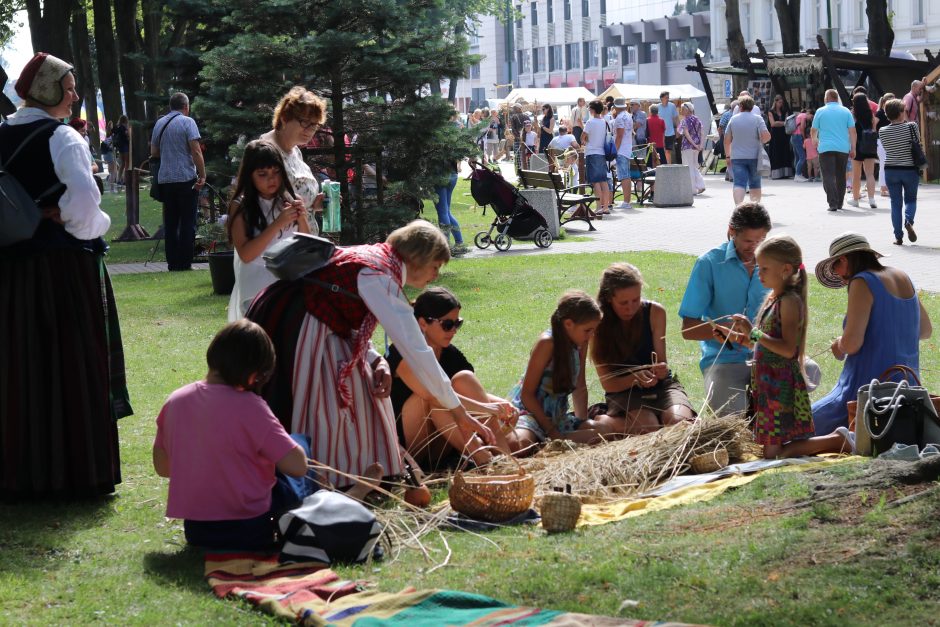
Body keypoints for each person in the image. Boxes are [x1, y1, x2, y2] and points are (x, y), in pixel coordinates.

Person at [247, 220, 496, 489]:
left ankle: (354, 477)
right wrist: (458, 412)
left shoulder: (380, 262)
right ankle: (316, 480)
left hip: (325, 326)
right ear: (418, 258)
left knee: (362, 393)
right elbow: (416, 349)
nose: (435, 276)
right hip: (304, 325)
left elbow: (352, 319)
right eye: (435, 267)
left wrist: (375, 359)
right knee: (321, 403)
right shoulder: (379, 274)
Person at [0, 52, 132, 500]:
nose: (74, 95)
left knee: (21, 365)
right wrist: (89, 227)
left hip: (11, 273)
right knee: (71, 361)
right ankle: (75, 471)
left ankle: (21, 472)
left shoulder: (2, 133)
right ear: (49, 90)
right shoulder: (64, 139)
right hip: (61, 273)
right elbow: (84, 210)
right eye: (69, 87)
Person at [153, 320, 309, 550]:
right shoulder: (251, 406)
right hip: (250, 528)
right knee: (299, 444)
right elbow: (298, 467)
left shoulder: (175, 401)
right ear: (255, 373)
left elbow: (163, 468)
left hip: (197, 531)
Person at [725, 237, 853, 458]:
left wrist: (753, 332)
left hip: (779, 385)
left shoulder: (790, 301)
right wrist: (740, 337)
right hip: (766, 384)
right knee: (768, 446)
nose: (759, 273)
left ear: (784, 270)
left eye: (764, 268)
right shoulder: (773, 297)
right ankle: (829, 442)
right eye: (758, 267)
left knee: (774, 450)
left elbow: (788, 350)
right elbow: (763, 342)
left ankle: (836, 441)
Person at [811, 232, 932, 434]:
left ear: (843, 260)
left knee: (799, 428)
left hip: (868, 391)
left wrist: (839, 345)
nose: (839, 276)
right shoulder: (902, 276)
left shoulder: (862, 281)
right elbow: (925, 330)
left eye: (836, 267)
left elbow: (852, 344)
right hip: (907, 391)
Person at [388, 288, 518, 468]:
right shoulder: (403, 352)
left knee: (464, 378)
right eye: (447, 325)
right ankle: (485, 461)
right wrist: (488, 408)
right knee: (437, 399)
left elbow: (467, 392)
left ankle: (506, 460)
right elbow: (433, 395)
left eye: (457, 324)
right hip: (412, 446)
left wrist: (502, 406)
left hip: (443, 438)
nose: (454, 331)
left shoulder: (450, 353)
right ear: (423, 323)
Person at [679, 202, 773, 415]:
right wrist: (726, 333)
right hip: (723, 359)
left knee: (809, 372)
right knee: (733, 423)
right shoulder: (709, 263)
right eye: (748, 241)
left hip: (767, 354)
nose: (755, 248)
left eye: (761, 240)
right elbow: (687, 328)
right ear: (732, 231)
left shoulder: (774, 262)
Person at [592, 263, 695, 435]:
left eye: (636, 299)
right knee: (648, 428)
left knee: (680, 424)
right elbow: (608, 383)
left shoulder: (655, 312)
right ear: (609, 298)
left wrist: (661, 370)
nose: (631, 307)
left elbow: (662, 362)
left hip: (662, 387)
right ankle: (605, 421)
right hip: (624, 391)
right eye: (623, 302)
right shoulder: (598, 323)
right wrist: (634, 379)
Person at [510, 291, 619, 451]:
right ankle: (547, 442)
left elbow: (580, 387)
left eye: (594, 330)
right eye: (588, 330)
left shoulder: (581, 342)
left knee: (604, 432)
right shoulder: (547, 343)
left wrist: (581, 423)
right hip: (532, 414)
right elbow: (527, 395)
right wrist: (552, 431)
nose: (591, 335)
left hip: (558, 418)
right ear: (568, 324)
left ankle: (551, 444)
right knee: (522, 444)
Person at [226, 140, 310, 320]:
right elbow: (246, 254)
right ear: (250, 176)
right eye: (262, 174)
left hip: (289, 284)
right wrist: (277, 224)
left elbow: (305, 246)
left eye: (276, 172)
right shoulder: (240, 205)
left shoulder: (289, 199)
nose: (271, 179)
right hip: (255, 291)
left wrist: (302, 217)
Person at [150, 92, 207, 271]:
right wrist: (202, 174)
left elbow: (154, 152)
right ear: (186, 107)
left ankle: (172, 262)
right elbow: (196, 151)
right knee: (188, 221)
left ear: (170, 106)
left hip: (165, 179)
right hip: (185, 178)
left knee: (171, 222)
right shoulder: (187, 122)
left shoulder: (160, 123)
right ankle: (185, 262)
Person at [261, 87, 326, 235]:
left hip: (302, 243)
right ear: (284, 118)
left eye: (315, 125)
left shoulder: (294, 150)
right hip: (280, 245)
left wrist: (314, 204)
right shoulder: (265, 151)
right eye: (305, 122)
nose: (310, 130)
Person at [879, 98, 922, 246]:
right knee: (910, 200)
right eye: (904, 110)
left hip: (891, 170)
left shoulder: (882, 131)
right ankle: (908, 221)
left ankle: (898, 237)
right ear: (900, 113)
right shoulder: (912, 126)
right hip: (910, 169)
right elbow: (917, 142)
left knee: (895, 203)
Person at [811, 89, 856, 212]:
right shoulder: (846, 111)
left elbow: (813, 130)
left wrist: (814, 140)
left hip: (825, 147)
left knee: (828, 176)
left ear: (826, 99)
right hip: (842, 148)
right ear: (837, 98)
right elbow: (853, 131)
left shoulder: (820, 111)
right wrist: (853, 148)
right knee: (841, 175)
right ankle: (840, 202)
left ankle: (833, 203)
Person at [724, 95, 771, 204]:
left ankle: (738, 208)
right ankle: (754, 211)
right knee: (755, 183)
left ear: (740, 106)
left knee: (739, 183)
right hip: (754, 157)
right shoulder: (757, 119)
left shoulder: (733, 119)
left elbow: (727, 140)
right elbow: (766, 137)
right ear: (752, 106)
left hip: (737, 157)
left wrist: (728, 156)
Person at [847, 93, 882, 210]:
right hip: (869, 146)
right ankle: (871, 199)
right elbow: (873, 130)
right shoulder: (871, 115)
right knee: (870, 173)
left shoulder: (852, 115)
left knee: (856, 175)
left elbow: (851, 132)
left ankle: (855, 199)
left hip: (857, 146)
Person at [581, 99, 612, 215]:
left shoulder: (590, 122)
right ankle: (606, 207)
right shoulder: (604, 122)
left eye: (589, 108)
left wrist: (585, 140)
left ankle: (599, 206)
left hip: (592, 153)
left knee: (595, 182)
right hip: (602, 153)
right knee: (603, 181)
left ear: (593, 110)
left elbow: (583, 137)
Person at [433, 157, 465, 252]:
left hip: (440, 175)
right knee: (447, 212)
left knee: (443, 212)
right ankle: (459, 242)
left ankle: (445, 245)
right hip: (453, 175)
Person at [677, 102, 706, 195]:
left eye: (682, 109)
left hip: (687, 146)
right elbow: (702, 133)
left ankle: (692, 189)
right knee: (694, 167)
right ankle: (701, 185)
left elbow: (686, 134)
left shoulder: (684, 121)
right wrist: (700, 145)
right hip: (696, 147)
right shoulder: (697, 119)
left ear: (687, 110)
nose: (681, 111)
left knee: (688, 167)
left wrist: (693, 144)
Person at [612, 98, 634, 209]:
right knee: (626, 175)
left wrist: (614, 150)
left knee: (624, 176)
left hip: (621, 149)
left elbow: (619, 136)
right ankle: (627, 201)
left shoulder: (620, 118)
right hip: (627, 148)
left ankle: (626, 202)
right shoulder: (628, 115)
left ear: (616, 107)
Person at [766, 95, 794, 179]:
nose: (781, 104)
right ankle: (775, 173)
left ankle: (785, 173)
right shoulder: (771, 111)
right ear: (775, 102)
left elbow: (786, 121)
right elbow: (773, 124)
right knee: (776, 153)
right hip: (775, 135)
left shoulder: (784, 110)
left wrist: (780, 123)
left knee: (784, 152)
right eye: (779, 102)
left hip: (783, 134)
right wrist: (783, 123)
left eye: (782, 103)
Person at [876, 93, 895, 198]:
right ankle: (883, 188)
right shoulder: (880, 113)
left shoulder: (890, 113)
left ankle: (887, 186)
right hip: (881, 141)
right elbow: (873, 124)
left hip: (888, 141)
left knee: (888, 164)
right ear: (885, 102)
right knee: (884, 164)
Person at [658, 91, 679, 164]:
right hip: (660, 134)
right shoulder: (657, 107)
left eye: (668, 98)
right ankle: (662, 165)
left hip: (670, 132)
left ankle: (668, 166)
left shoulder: (672, 106)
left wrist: (678, 130)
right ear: (661, 98)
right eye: (666, 98)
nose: (667, 99)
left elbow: (676, 118)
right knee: (662, 151)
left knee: (668, 151)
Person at [112, 114, 130, 189]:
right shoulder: (124, 127)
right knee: (127, 163)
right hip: (125, 146)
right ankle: (125, 179)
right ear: (125, 120)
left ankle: (119, 179)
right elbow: (127, 136)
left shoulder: (117, 127)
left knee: (122, 163)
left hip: (119, 147)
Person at [803, 114, 820, 182]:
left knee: (809, 168)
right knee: (815, 167)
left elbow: (803, 147)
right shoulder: (815, 140)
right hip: (815, 156)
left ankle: (809, 177)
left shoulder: (805, 141)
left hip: (808, 157)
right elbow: (817, 146)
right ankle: (816, 178)